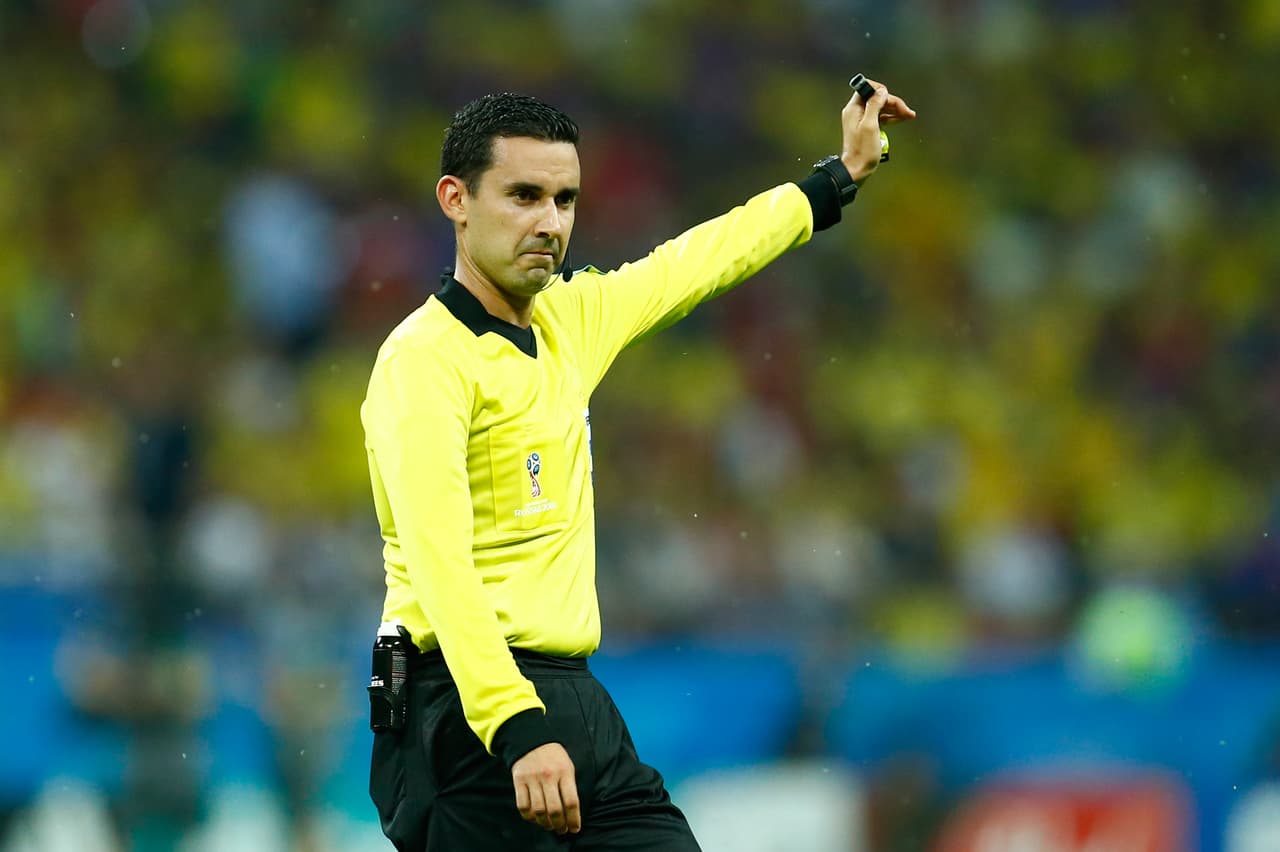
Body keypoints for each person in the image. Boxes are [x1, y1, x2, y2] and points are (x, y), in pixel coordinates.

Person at [361, 81, 915, 850]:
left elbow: (698, 260)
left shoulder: (569, 320)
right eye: (523, 196)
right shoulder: (422, 362)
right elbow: (440, 563)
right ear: (456, 199)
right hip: (460, 708)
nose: (549, 223)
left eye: (565, 200)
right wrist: (514, 726)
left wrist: (837, 177)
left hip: (572, 701)